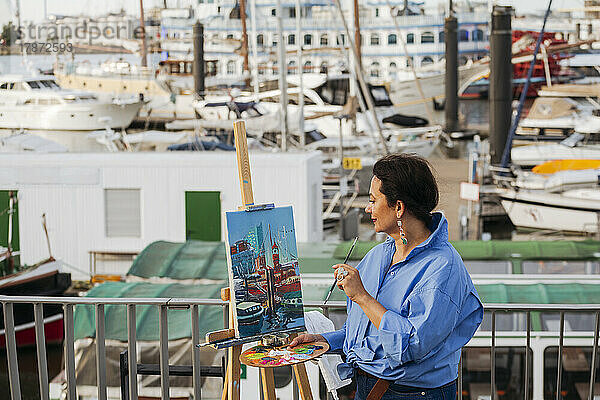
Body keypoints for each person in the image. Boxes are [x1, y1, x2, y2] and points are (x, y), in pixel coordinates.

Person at [290, 153, 483, 400]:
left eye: (373, 200)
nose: (367, 208)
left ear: (399, 207)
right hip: (368, 387)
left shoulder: (442, 269)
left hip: (414, 394)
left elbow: (411, 345)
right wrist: (326, 341)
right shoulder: (379, 255)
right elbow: (367, 329)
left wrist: (362, 296)